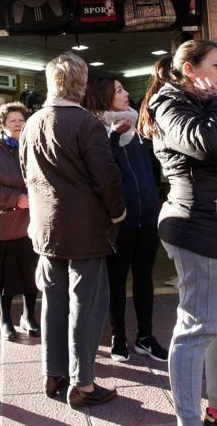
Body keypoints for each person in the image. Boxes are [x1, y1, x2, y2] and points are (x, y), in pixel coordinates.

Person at [139, 40, 217, 426]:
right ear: (190, 69)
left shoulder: (205, 105)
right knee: (197, 329)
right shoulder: (169, 103)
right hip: (199, 226)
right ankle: (188, 420)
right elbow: (205, 144)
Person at [20, 53, 125, 409]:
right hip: (86, 231)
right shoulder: (88, 124)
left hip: (46, 230)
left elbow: (26, 174)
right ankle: (82, 383)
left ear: (51, 82)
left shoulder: (32, 123)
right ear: (81, 85)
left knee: (53, 302)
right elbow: (107, 178)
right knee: (87, 306)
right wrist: (118, 214)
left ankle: (54, 374)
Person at [84, 77, 168, 364]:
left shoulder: (140, 127)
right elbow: (102, 170)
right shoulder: (97, 130)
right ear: (104, 96)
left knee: (144, 277)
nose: (126, 95)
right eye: (118, 90)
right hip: (120, 219)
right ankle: (118, 338)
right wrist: (114, 137)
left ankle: (146, 337)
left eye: (123, 89)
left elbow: (152, 168)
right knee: (116, 281)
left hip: (148, 217)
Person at [0, 101, 39, 341]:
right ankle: (5, 320)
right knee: (6, 277)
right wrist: (17, 198)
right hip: (4, 223)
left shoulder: (33, 148)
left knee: (31, 273)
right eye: (12, 121)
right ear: (2, 125)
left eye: (21, 121)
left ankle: (28, 316)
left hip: (32, 223)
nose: (18, 124)